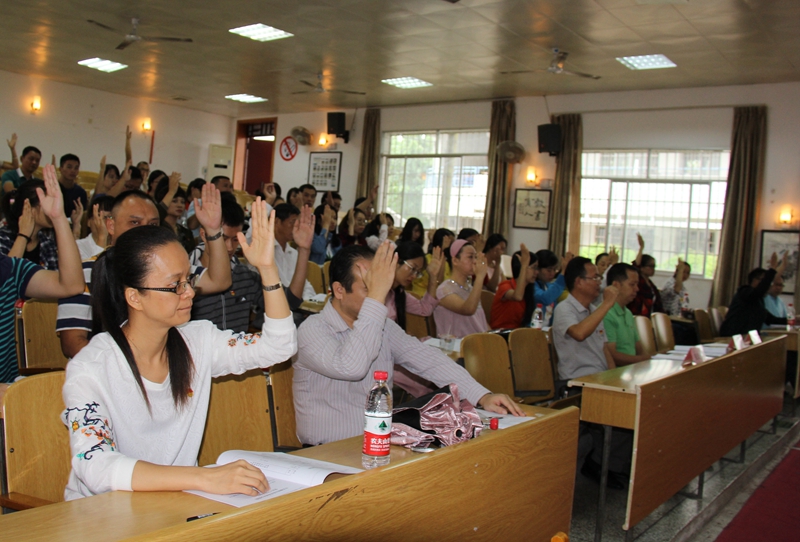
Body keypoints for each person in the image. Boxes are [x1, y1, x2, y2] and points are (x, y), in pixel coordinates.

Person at [61, 199, 297, 500]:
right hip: (103, 514)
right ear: (134, 297)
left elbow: (279, 346)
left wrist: (267, 268)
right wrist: (203, 477)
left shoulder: (197, 340)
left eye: (189, 280)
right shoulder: (91, 366)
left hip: (176, 504)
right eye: (175, 285)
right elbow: (95, 467)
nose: (189, 293)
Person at [293, 243, 524, 445]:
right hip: (327, 451)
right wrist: (376, 297)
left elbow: (430, 361)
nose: (380, 296)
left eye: (381, 287)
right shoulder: (312, 330)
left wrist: (482, 396)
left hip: (379, 445)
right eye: (369, 288)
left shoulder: (383, 326)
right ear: (339, 290)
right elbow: (352, 367)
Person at [56, 184, 233, 358]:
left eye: (153, 224)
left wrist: (213, 230)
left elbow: (219, 281)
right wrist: (133, 365)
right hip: (105, 368)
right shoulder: (83, 273)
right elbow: (72, 344)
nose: (143, 230)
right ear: (111, 225)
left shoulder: (170, 269)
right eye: (134, 222)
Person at [551, 257, 631, 489]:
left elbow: (604, 349)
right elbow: (579, 333)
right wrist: (608, 304)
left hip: (599, 380)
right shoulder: (565, 308)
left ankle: (608, 465)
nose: (599, 282)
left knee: (631, 404)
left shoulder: (594, 310)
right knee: (620, 414)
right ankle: (599, 464)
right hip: (575, 383)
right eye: (594, 277)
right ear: (579, 282)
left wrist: (616, 380)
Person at [0, 164, 85, 383]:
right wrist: (23, 235)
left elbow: (72, 285)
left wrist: (59, 218)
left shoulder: (12, 267)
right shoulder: (5, 239)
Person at [719, 254, 788, 337]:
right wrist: (772, 269)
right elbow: (759, 291)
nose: (768, 285)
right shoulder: (744, 292)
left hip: (747, 338)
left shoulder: (759, 300)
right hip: (733, 337)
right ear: (754, 280)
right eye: (763, 281)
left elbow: (772, 320)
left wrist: (794, 321)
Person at [433, 240, 490, 338]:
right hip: (458, 344)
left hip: (479, 342)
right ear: (455, 261)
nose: (475, 261)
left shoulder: (470, 288)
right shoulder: (444, 290)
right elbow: (468, 310)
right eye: (470, 257)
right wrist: (480, 277)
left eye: (475, 257)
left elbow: (482, 322)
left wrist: (494, 336)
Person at [0, 179, 60, 269]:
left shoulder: (47, 243)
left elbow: (57, 275)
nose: (55, 209)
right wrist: (23, 236)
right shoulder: (3, 237)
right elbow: (5, 274)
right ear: (29, 207)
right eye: (50, 204)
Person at [386, 241, 442, 330]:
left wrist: (433, 276)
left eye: (418, 272)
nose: (414, 276)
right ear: (397, 260)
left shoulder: (399, 294)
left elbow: (425, 309)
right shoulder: (375, 289)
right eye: (412, 268)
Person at [603, 263, 651, 366]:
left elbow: (639, 349)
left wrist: (650, 359)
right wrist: (645, 359)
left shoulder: (628, 313)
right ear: (616, 285)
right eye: (632, 284)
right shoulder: (606, 314)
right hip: (617, 371)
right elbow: (612, 356)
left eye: (637, 284)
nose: (637, 289)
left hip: (632, 369)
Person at [272, 203, 317, 301]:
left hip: (297, 303)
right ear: (277, 222)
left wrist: (308, 300)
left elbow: (305, 285)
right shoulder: (265, 253)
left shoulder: (294, 253)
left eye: (298, 223)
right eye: (292, 222)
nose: (296, 227)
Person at [490, 244, 537, 330]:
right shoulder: (505, 286)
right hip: (500, 333)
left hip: (517, 333)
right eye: (533, 268)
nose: (536, 272)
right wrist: (524, 266)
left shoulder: (528, 290)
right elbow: (517, 296)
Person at [410, 228, 453, 298]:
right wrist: (443, 250)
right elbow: (439, 281)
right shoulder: (427, 260)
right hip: (421, 296)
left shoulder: (447, 263)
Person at [628, 234, 664, 317]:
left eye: (654, 266)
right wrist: (641, 248)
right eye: (650, 266)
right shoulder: (638, 281)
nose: (653, 269)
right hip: (638, 316)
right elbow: (635, 266)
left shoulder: (651, 285)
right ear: (642, 268)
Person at [156, 181, 195, 254]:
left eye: (182, 202)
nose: (179, 205)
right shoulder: (157, 228)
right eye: (174, 201)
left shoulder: (186, 232)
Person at [58, 154, 87, 219]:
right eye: (69, 167)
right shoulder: (53, 189)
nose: (73, 171)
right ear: (60, 169)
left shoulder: (81, 192)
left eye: (76, 168)